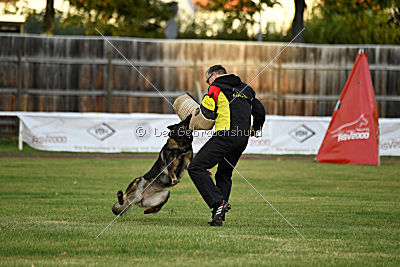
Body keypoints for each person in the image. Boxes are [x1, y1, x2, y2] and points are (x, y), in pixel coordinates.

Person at [187, 65, 266, 226]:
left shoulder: (216, 87)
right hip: (242, 139)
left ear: (214, 75)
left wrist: (195, 115)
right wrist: (255, 128)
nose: (208, 84)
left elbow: (207, 110)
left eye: (208, 80)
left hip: (225, 135)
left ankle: (218, 203)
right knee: (224, 174)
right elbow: (260, 111)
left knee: (196, 167)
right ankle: (219, 216)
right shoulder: (246, 89)